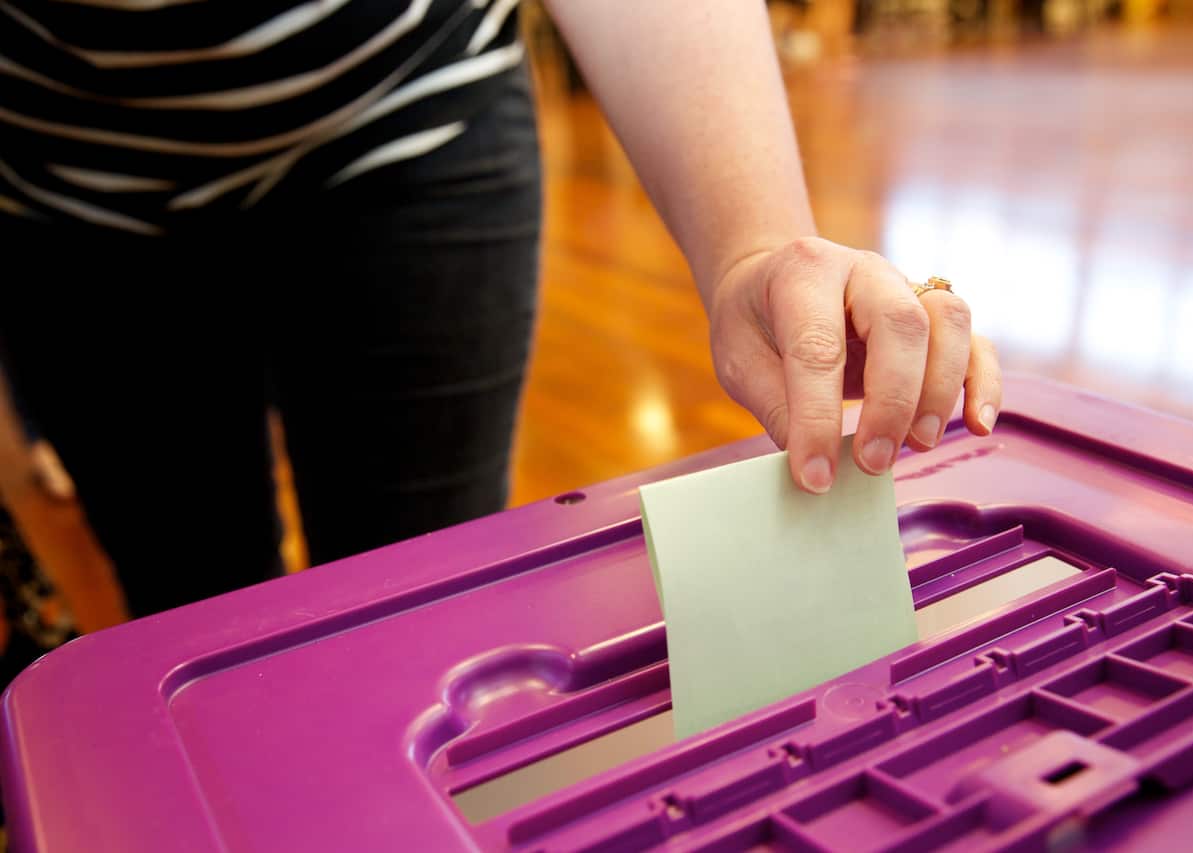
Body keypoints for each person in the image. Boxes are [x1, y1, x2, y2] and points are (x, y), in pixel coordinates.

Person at [0, 1, 1001, 618]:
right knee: (190, 602)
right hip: (66, 184)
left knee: (418, 595)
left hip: (412, 115)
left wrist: (754, 242)